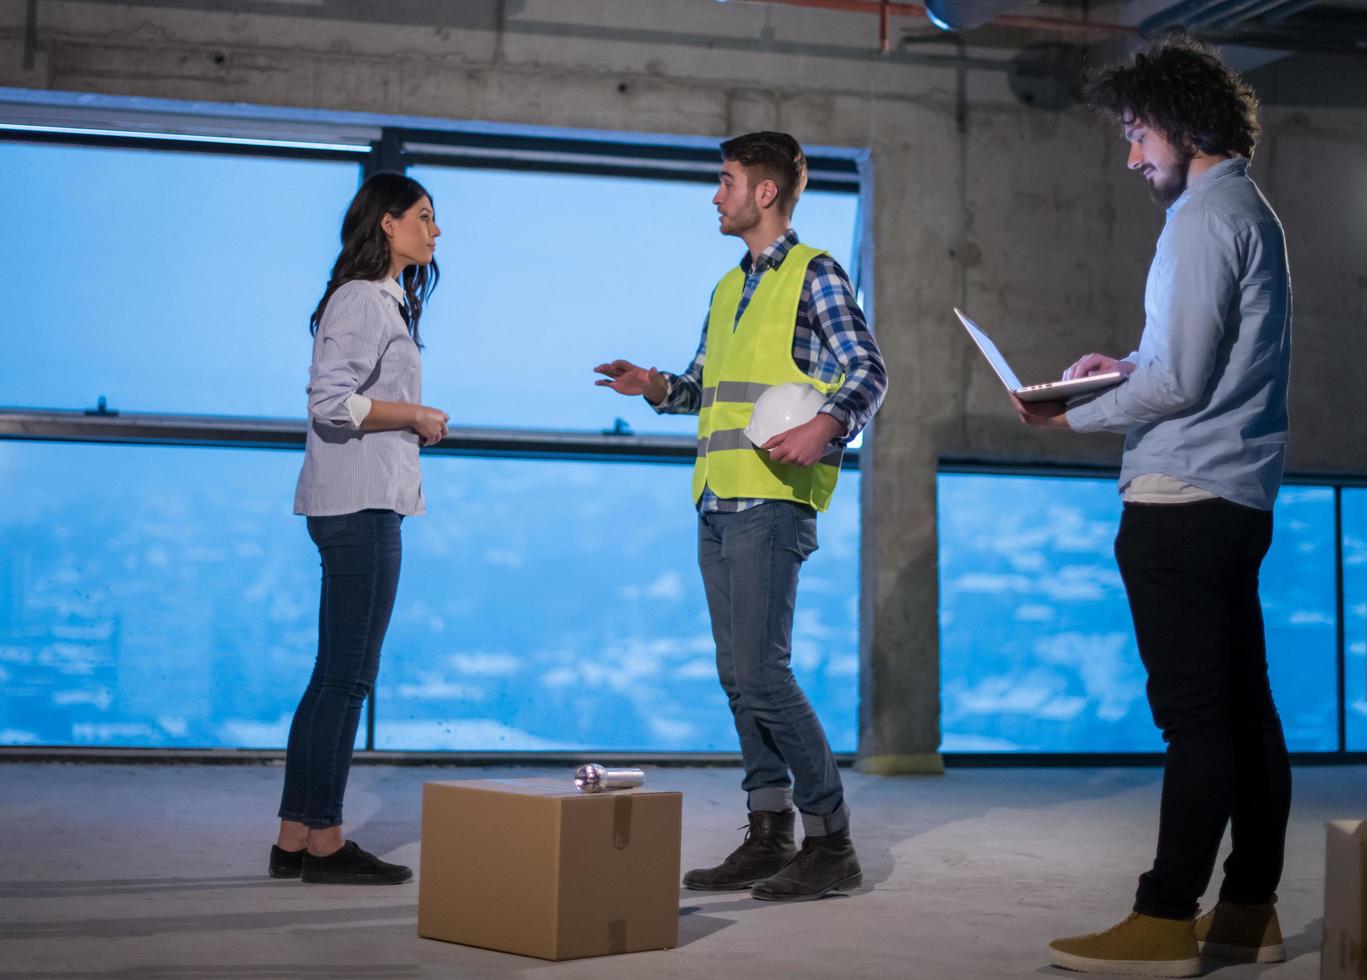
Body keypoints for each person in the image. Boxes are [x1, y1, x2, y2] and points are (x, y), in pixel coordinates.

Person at [1013, 38, 1293, 976]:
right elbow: (1197, 364)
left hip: (1181, 496)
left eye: (1136, 134)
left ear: (1181, 123)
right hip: (1233, 492)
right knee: (1244, 712)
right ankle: (1248, 910)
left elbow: (1179, 385)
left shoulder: (1202, 222)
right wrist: (1119, 367)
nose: (1132, 157)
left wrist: (1071, 408)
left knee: (1196, 720)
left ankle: (1165, 916)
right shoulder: (1243, 211)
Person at [595, 131, 887, 902]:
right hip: (717, 500)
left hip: (771, 503)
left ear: (764, 193)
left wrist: (827, 425)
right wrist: (653, 385)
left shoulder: (813, 273)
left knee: (764, 673)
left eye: (725, 182)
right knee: (738, 678)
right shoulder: (729, 289)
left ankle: (832, 843)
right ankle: (768, 833)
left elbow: (868, 370)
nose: (715, 196)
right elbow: (700, 386)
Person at [270, 172, 449, 885]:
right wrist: (414, 414)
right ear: (387, 224)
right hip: (358, 507)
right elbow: (329, 403)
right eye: (425, 218)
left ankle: (293, 838)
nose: (435, 233)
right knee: (347, 679)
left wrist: (411, 419)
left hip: (357, 500)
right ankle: (324, 844)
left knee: (334, 677)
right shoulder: (362, 301)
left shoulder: (383, 301)